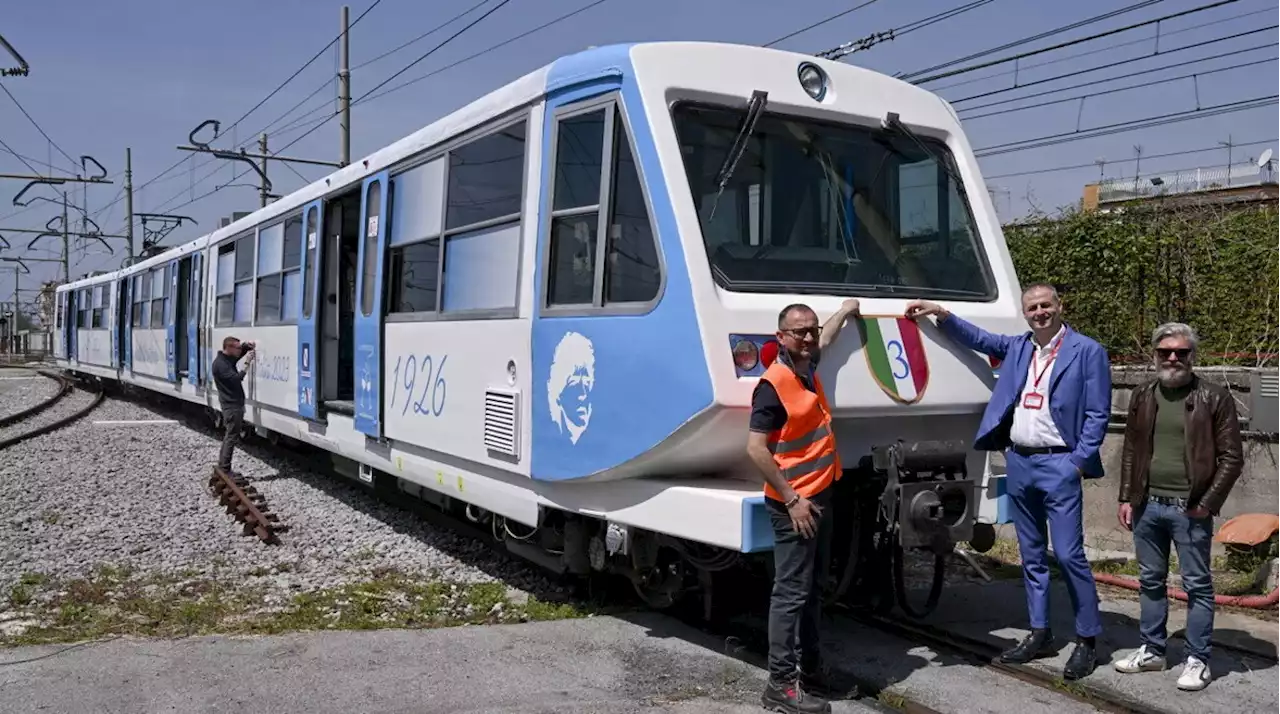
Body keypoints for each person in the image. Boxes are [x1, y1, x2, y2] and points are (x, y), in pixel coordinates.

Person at [905, 284, 1110, 680]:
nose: (1040, 312)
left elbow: (1099, 414)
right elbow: (979, 338)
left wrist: (1078, 464)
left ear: (1060, 306)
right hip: (1020, 462)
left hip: (1060, 465)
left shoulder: (1087, 351)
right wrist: (939, 312)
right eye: (1032, 307)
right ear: (1025, 312)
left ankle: (1087, 640)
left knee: (1068, 555)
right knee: (1030, 556)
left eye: (1046, 305)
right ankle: (1040, 633)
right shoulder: (1019, 347)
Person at [1113, 322, 1242, 691]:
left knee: (1198, 584)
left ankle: (1197, 659)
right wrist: (1126, 496)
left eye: (1181, 352)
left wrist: (1208, 502)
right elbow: (1132, 450)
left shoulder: (1214, 397)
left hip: (1190, 508)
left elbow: (1232, 457)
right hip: (1146, 506)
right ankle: (1153, 650)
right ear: (1154, 355)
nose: (1173, 358)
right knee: (1150, 581)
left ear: (1192, 356)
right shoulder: (1143, 394)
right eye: (1165, 352)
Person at [746, 299, 860, 714]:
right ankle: (780, 685)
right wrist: (793, 500)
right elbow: (756, 449)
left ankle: (812, 674)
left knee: (813, 591)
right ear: (781, 337)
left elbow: (826, 337)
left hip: (821, 496)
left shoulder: (806, 365)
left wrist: (846, 311)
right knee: (790, 595)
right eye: (800, 331)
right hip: (796, 505)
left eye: (811, 329)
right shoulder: (772, 386)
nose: (809, 336)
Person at [212, 336, 256, 474]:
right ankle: (225, 468)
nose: (239, 351)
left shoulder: (225, 359)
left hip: (232, 404)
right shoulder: (221, 365)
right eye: (237, 348)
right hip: (231, 406)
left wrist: (246, 346)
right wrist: (247, 363)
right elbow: (237, 379)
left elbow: (237, 356)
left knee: (230, 436)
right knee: (231, 437)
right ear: (229, 348)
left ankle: (223, 465)